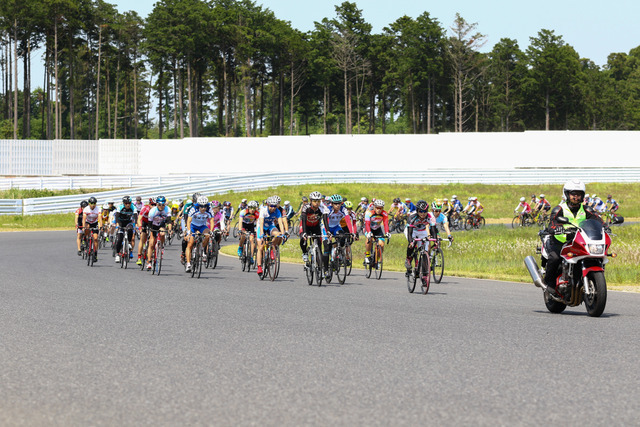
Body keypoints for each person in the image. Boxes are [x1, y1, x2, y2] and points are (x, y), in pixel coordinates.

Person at [544, 180, 603, 294]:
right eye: (573, 194)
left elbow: (598, 220)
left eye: (579, 194)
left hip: (578, 241)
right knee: (555, 258)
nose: (576, 197)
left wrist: (606, 226)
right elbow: (552, 224)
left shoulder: (586, 209)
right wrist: (556, 228)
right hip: (560, 241)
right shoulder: (559, 209)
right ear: (567, 194)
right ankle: (549, 282)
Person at [323, 194, 357, 278]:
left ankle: (337, 253)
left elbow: (348, 221)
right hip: (326, 227)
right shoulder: (328, 209)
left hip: (336, 227)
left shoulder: (343, 209)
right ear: (331, 204)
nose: (338, 205)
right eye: (335, 204)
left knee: (343, 237)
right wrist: (327, 232)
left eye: (339, 203)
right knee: (326, 248)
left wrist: (352, 232)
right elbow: (326, 221)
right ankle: (326, 270)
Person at [256, 195, 287, 276]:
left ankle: (272, 249)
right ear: (268, 205)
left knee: (278, 234)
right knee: (261, 247)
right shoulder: (263, 210)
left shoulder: (277, 211)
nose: (273, 208)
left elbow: (280, 223)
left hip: (270, 226)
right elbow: (261, 223)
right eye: (271, 206)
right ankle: (259, 266)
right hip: (261, 227)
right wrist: (262, 234)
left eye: (275, 206)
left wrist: (283, 234)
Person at [185, 196, 213, 273]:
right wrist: (189, 231)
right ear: (198, 205)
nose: (203, 208)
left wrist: (211, 231)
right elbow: (189, 221)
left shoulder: (209, 209)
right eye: (201, 206)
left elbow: (211, 221)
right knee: (190, 244)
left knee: (207, 235)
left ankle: (202, 249)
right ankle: (188, 263)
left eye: (205, 206)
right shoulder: (193, 209)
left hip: (202, 226)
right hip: (193, 226)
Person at [300, 191, 327, 265]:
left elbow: (325, 220)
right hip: (306, 225)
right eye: (315, 201)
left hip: (315, 226)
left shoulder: (322, 207)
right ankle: (305, 252)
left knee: (319, 244)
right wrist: (305, 232)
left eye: (319, 201)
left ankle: (319, 264)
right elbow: (304, 219)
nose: (317, 203)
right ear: (311, 201)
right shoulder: (306, 207)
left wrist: (328, 232)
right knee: (303, 238)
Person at [145, 196, 170, 270]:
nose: (161, 206)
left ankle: (161, 246)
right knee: (151, 243)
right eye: (159, 205)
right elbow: (149, 223)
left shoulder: (167, 209)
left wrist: (170, 229)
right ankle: (149, 262)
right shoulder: (153, 211)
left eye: (163, 205)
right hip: (153, 225)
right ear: (157, 204)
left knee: (162, 233)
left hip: (161, 224)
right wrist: (150, 231)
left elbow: (169, 221)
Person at [364, 199, 390, 265]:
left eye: (380, 208)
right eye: (377, 208)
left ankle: (376, 260)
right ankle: (367, 255)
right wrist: (369, 232)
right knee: (369, 238)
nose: (379, 210)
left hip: (378, 229)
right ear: (374, 207)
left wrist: (387, 232)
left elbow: (385, 223)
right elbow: (367, 223)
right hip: (369, 228)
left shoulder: (384, 213)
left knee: (381, 245)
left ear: (382, 208)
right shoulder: (369, 213)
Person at [113, 196, 138, 263]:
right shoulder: (120, 207)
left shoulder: (133, 207)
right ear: (123, 203)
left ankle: (129, 242)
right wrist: (117, 224)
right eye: (126, 203)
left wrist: (136, 224)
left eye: (129, 203)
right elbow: (117, 216)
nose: (128, 204)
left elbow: (136, 216)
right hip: (121, 222)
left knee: (130, 229)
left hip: (128, 222)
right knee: (119, 239)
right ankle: (117, 254)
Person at [83, 197, 102, 263]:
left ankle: (95, 253)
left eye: (94, 203)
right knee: (86, 228)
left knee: (96, 238)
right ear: (89, 204)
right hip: (88, 222)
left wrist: (101, 226)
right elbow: (84, 218)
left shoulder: (98, 209)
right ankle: (85, 239)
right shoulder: (86, 209)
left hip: (95, 223)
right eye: (91, 203)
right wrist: (83, 227)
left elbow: (100, 218)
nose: (93, 205)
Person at [136, 198, 155, 265]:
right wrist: (140, 227)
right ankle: (139, 256)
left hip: (152, 223)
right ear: (149, 204)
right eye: (152, 205)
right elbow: (139, 219)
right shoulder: (145, 209)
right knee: (142, 237)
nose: (153, 206)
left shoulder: (156, 210)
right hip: (144, 222)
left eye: (155, 205)